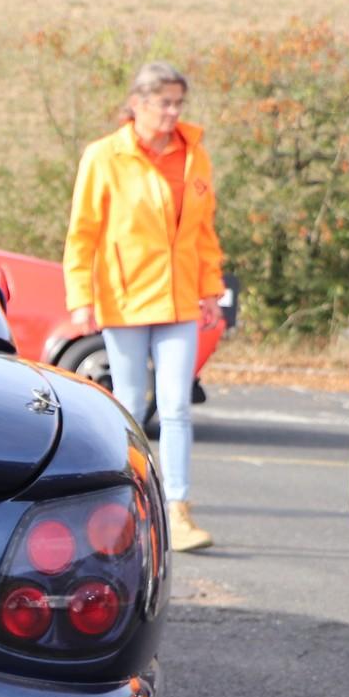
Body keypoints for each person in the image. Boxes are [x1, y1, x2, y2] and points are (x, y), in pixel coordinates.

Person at [62, 61, 224, 552]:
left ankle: (178, 511)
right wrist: (81, 299)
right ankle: (124, 509)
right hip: (125, 297)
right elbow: (83, 231)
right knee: (129, 407)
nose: (173, 112)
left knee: (174, 406)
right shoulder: (104, 156)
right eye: (164, 103)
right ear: (137, 104)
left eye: (179, 103)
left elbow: (204, 230)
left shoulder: (194, 155)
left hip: (178, 300)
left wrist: (211, 288)